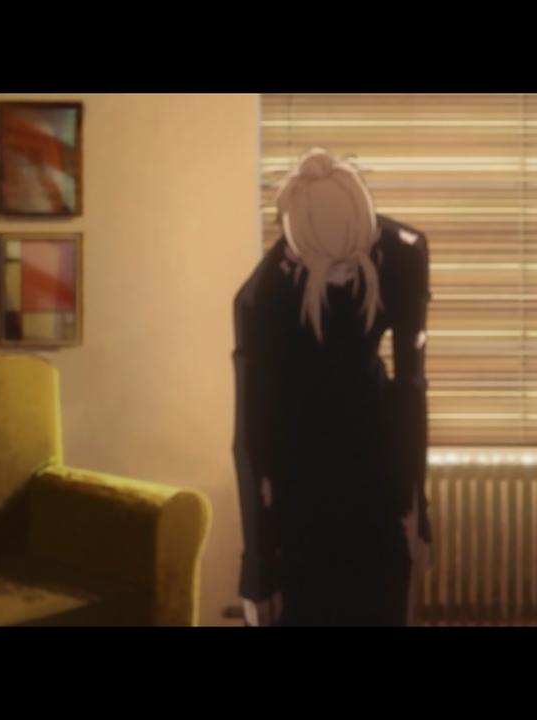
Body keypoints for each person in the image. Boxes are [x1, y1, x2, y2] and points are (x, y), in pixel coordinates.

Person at [232, 148, 432, 626]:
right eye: (331, 264)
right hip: (299, 480)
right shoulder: (261, 299)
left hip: (376, 470)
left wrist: (418, 513)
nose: (345, 272)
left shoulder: (402, 253)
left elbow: (410, 388)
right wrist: (257, 571)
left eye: (355, 257)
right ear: (296, 248)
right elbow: (251, 438)